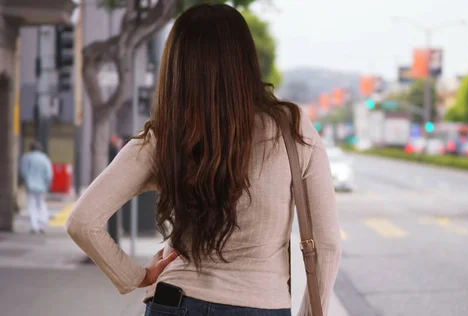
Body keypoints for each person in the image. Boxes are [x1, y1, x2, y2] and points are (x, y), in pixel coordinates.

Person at [66, 4, 341, 316]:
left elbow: (82, 222)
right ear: (245, 60)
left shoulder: (164, 136)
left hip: (175, 301)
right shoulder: (290, 128)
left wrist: (135, 276)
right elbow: (327, 243)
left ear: (176, 66)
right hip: (261, 305)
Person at [19, 140, 53, 234]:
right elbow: (49, 174)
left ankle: (34, 226)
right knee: (41, 204)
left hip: (31, 186)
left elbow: (23, 172)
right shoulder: (44, 158)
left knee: (32, 205)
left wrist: (26, 182)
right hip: (42, 186)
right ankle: (42, 225)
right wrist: (48, 184)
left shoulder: (26, 157)